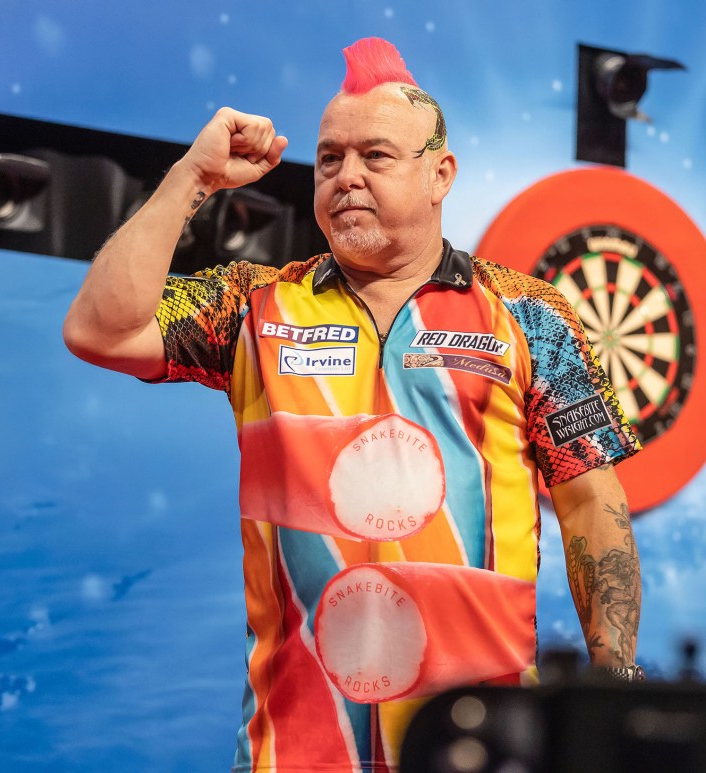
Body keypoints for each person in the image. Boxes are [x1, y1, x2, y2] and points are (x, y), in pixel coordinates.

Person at [64, 37, 642, 773]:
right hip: (292, 754)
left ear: (440, 174)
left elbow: (592, 504)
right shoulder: (256, 305)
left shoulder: (530, 315)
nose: (347, 177)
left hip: (479, 750)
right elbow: (100, 330)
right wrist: (191, 178)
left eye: (376, 156)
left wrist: (617, 685)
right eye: (330, 158)